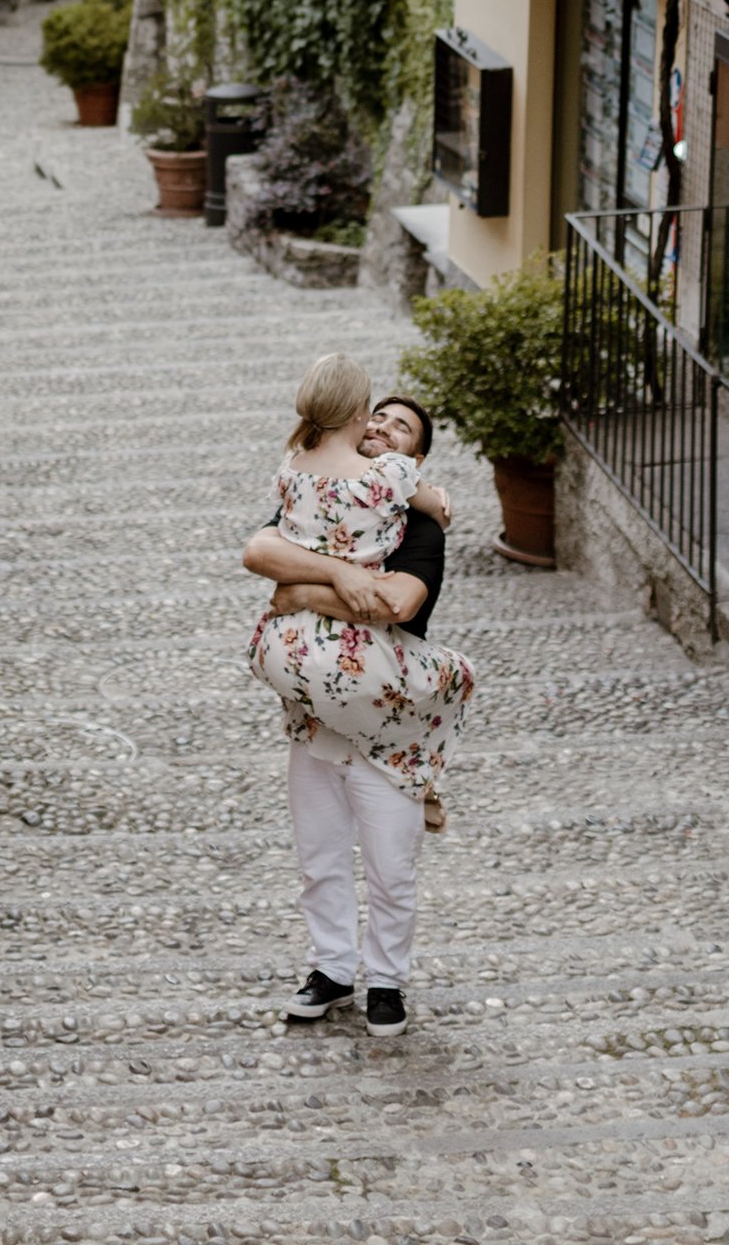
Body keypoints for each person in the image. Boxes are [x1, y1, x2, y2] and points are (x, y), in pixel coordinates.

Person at [244, 367, 474, 1041]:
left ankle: (387, 983)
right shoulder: (322, 490)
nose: (383, 427)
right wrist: (342, 573)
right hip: (317, 722)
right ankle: (332, 970)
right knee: (318, 859)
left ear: (415, 457)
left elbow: (398, 602)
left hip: (386, 728)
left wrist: (301, 592)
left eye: (402, 427)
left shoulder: (417, 525)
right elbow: (260, 548)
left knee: (390, 870)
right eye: (379, 416)